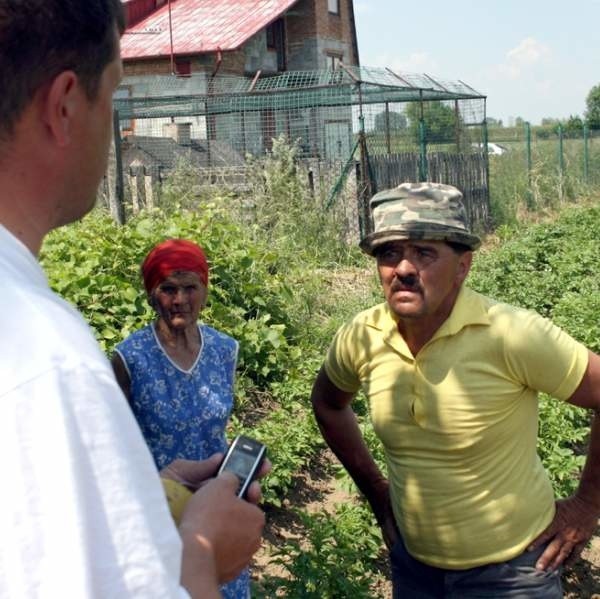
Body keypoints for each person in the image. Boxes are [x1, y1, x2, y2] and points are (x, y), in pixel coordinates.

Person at [0, 2, 266, 597]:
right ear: (65, 105)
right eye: (115, 93)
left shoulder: (221, 350)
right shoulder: (49, 359)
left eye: (188, 287)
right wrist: (200, 548)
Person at [311, 181, 600, 598]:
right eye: (389, 253)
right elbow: (327, 403)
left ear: (463, 266)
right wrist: (378, 496)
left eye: (425, 253)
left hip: (514, 573)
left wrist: (587, 505)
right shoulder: (363, 335)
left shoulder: (510, 334)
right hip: (415, 569)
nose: (404, 269)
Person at [111, 238, 250, 599]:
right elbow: (112, 447)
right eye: (168, 288)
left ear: (204, 289)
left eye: (190, 287)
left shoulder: (224, 350)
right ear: (151, 293)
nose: (180, 300)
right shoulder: (130, 359)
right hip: (159, 513)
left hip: (216, 511)